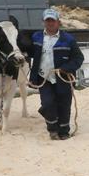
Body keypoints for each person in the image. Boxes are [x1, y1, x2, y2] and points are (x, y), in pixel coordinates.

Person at [29, 8, 84, 140]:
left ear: (58, 22)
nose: (50, 23)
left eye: (52, 20)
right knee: (47, 103)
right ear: (44, 22)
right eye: (47, 20)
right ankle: (52, 129)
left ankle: (64, 131)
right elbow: (28, 52)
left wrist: (66, 68)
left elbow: (78, 58)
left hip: (63, 78)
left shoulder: (68, 39)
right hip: (44, 77)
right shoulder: (36, 37)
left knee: (64, 104)